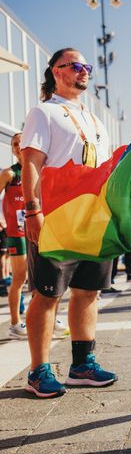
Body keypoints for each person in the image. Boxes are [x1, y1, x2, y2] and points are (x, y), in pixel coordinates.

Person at [21, 47, 117, 398]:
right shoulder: (43, 112)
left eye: (86, 66)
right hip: (57, 215)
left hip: (93, 217)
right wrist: (33, 210)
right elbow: (31, 161)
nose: (84, 71)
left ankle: (82, 365)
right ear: (56, 72)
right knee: (48, 293)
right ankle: (38, 370)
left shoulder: (94, 120)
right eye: (76, 66)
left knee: (88, 291)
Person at [0, 133, 28, 337]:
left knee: (42, 276)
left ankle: (49, 319)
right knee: (20, 277)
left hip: (40, 230)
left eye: (21, 142)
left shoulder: (40, 169)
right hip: (17, 233)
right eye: (14, 144)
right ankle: (15, 324)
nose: (18, 147)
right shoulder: (10, 173)